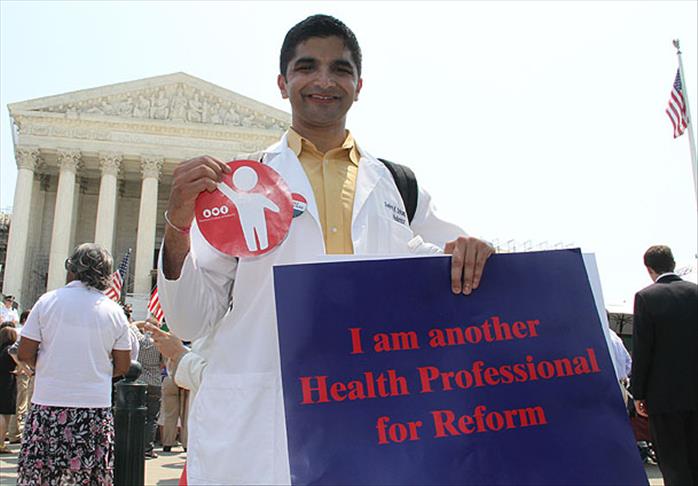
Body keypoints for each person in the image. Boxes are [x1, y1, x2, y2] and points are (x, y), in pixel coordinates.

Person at [158, 15, 494, 484]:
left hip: (370, 416)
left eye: (340, 69)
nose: (324, 80)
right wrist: (178, 224)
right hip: (264, 423)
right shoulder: (240, 182)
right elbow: (191, 320)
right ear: (282, 83)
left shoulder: (397, 186)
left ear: (359, 86)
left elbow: (452, 267)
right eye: (306, 67)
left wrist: (476, 251)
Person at [16, 243, 132, 485]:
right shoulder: (114, 311)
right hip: (94, 408)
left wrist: (49, 366)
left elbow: (25, 352)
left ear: (72, 269)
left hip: (48, 405)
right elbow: (123, 365)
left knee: (41, 476)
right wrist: (92, 371)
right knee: (87, 477)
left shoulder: (47, 301)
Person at [630, 245, 698, 486]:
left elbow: (643, 350)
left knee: (673, 462)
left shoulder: (646, 298)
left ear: (649, 269)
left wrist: (638, 393)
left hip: (663, 396)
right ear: (673, 263)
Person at [131, 319, 164, 459]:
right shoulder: (159, 344)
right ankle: (148, 448)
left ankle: (135, 445)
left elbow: (131, 326)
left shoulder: (139, 339)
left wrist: (143, 323)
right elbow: (163, 364)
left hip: (139, 380)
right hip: (154, 381)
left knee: (137, 416)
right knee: (151, 417)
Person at [0, 326, 18, 453]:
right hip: (7, 381)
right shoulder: (10, 350)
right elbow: (21, 362)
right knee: (4, 414)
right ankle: (1, 443)